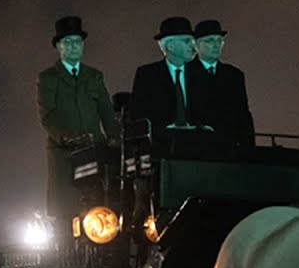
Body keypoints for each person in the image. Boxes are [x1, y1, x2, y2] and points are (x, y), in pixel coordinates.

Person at [36, 15, 120, 220]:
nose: (74, 47)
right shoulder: (48, 77)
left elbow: (106, 110)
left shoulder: (94, 76)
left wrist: (115, 137)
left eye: (77, 42)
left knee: (101, 208)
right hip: (65, 153)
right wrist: (66, 137)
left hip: (95, 150)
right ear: (59, 46)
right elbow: (48, 114)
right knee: (67, 211)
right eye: (68, 42)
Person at [129, 16, 201, 142]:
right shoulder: (148, 75)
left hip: (199, 144)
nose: (193, 46)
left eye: (193, 41)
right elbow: (140, 114)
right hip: (162, 146)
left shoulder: (200, 75)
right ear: (171, 46)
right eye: (187, 41)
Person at [188, 19, 254, 155]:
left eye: (219, 41)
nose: (216, 45)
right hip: (195, 149)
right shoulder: (183, 73)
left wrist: (249, 148)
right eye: (210, 41)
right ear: (196, 45)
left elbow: (243, 114)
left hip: (229, 148)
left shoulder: (234, 75)